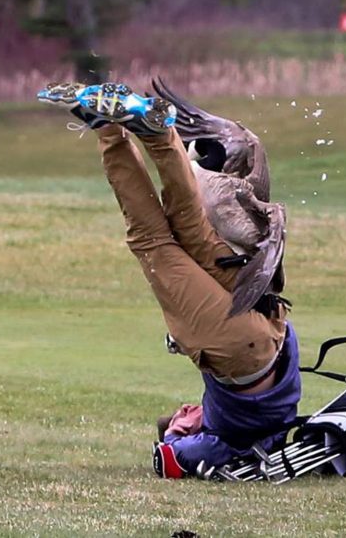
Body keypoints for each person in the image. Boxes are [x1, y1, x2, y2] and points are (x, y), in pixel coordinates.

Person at [37, 82, 301, 479]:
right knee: (150, 240)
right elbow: (169, 460)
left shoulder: (260, 419)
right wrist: (174, 437)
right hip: (244, 348)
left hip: (266, 320)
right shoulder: (227, 440)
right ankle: (108, 128)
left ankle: (159, 132)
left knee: (187, 221)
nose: (182, 413)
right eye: (182, 417)